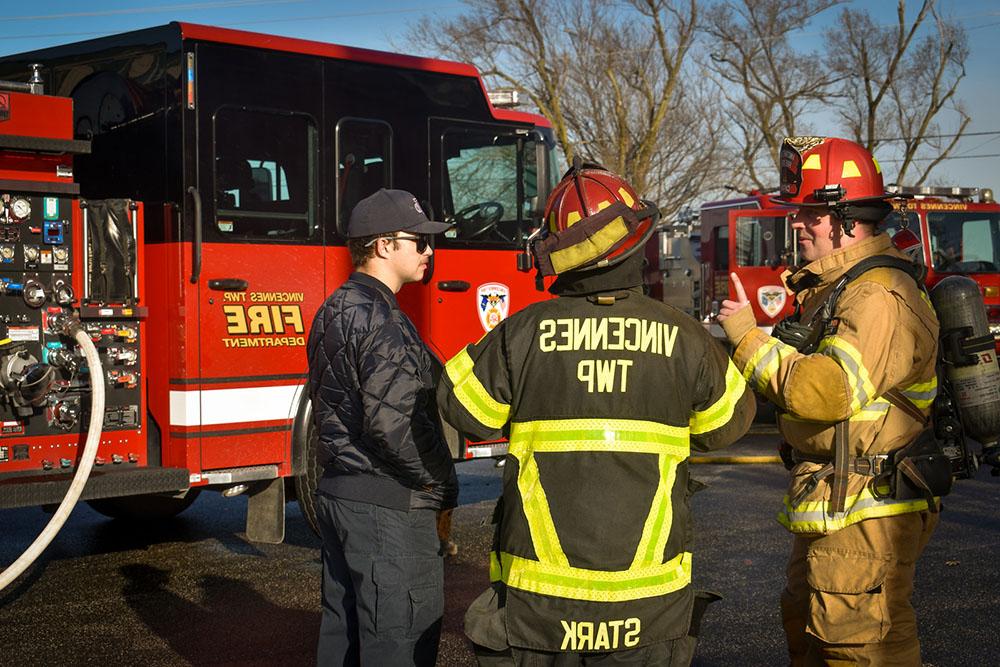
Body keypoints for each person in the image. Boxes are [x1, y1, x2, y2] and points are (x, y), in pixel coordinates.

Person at [437, 161, 755, 666]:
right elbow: (724, 426)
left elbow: (464, 410)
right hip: (648, 605)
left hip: (539, 608)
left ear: (559, 252)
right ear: (637, 240)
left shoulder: (522, 333)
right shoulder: (684, 337)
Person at [718, 136, 940, 665]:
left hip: (869, 504)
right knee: (813, 626)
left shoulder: (878, 294)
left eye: (812, 213)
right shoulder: (842, 288)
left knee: (858, 645)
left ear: (848, 219)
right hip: (840, 496)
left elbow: (829, 390)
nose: (799, 223)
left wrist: (748, 339)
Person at [306, 188, 458, 666]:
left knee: (343, 637)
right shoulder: (385, 321)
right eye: (419, 240)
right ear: (384, 245)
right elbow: (393, 426)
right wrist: (439, 484)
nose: (429, 250)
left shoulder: (332, 308)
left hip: (339, 497)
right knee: (398, 643)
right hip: (387, 508)